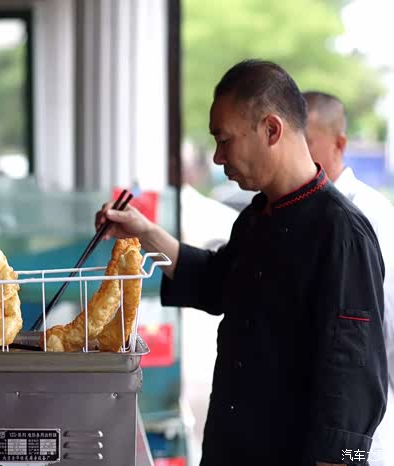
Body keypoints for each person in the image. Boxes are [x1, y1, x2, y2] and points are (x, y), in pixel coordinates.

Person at [97, 60, 387, 465]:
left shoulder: (341, 233)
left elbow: (352, 382)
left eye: (224, 140)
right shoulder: (255, 217)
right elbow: (217, 282)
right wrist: (144, 232)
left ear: (271, 130)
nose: (218, 157)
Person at [304, 90, 394, 466]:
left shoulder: (370, 214)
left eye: (307, 142)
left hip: (361, 438)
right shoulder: (294, 211)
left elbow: (388, 321)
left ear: (339, 144)